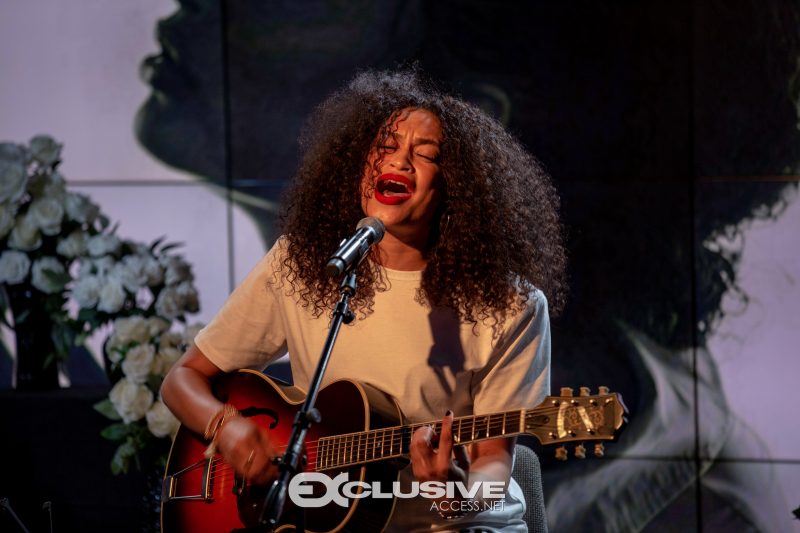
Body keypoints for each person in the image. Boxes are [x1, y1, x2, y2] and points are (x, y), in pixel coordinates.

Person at [161, 69, 567, 532]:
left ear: (456, 188)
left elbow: (493, 460)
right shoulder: (301, 264)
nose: (400, 161)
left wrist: (454, 496)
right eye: (386, 146)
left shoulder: (509, 304)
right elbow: (182, 380)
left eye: (425, 155)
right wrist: (227, 428)